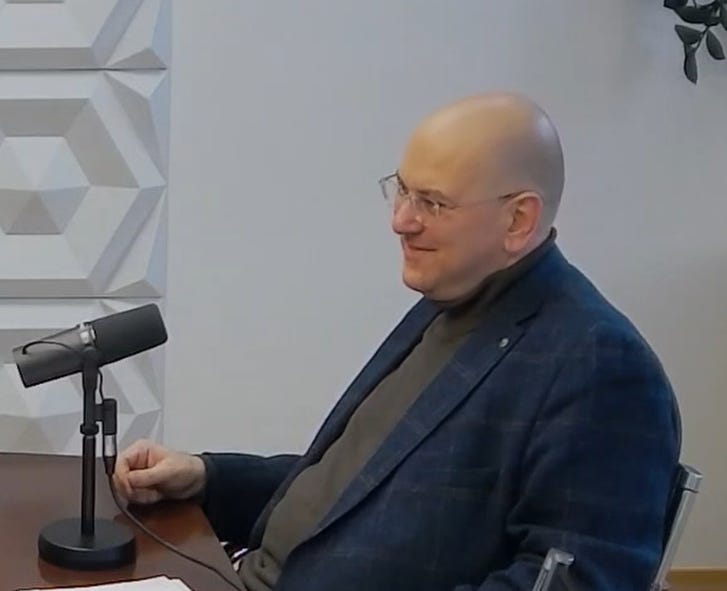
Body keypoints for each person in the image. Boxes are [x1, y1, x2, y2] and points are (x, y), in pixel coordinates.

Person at [114, 93, 680, 591]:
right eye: (403, 191)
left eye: (432, 203)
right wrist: (209, 478)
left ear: (518, 221)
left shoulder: (600, 367)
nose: (401, 221)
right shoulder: (450, 303)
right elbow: (360, 491)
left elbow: (578, 581)